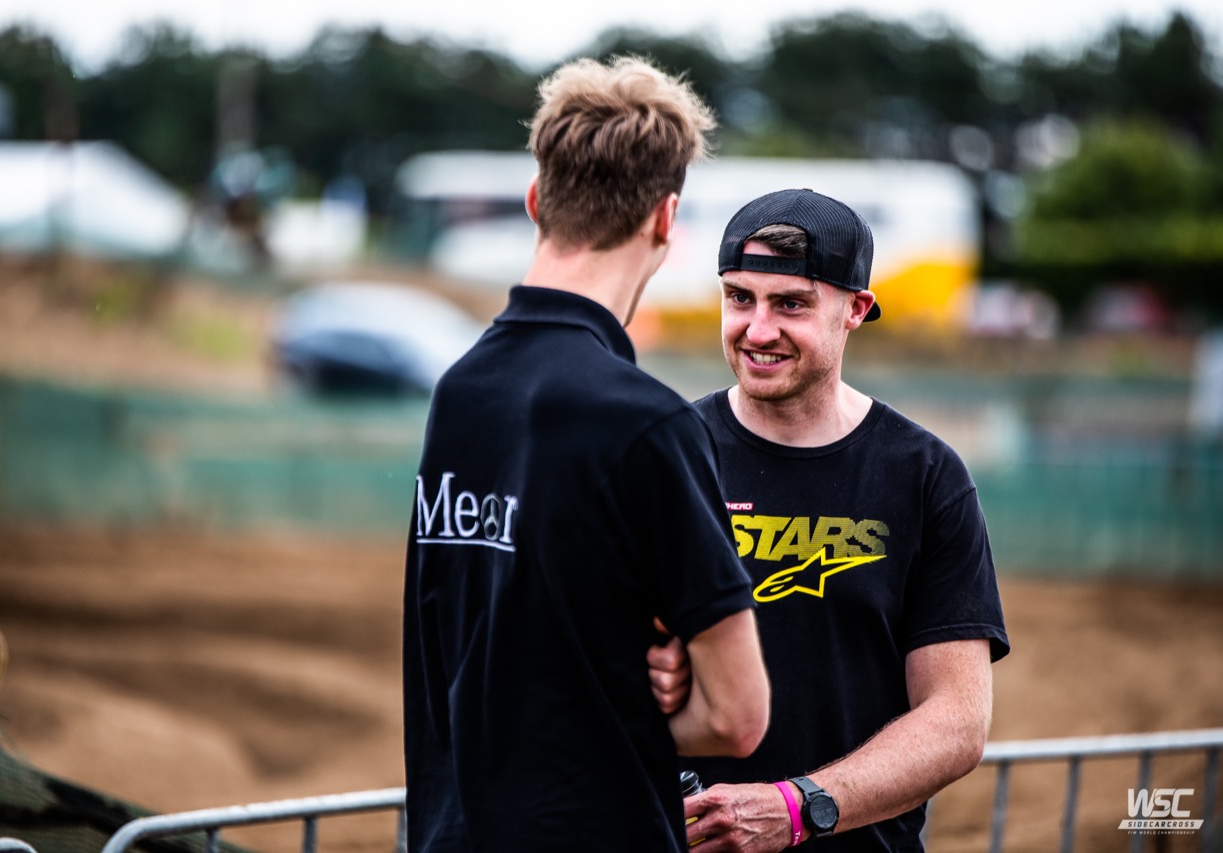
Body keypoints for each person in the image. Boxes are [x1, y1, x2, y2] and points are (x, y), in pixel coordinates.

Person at [402, 56, 772, 853]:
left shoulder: (460, 391)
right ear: (666, 218)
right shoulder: (646, 423)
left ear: (537, 199)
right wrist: (656, 694)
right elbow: (738, 717)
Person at [647, 188, 1010, 851]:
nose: (758, 330)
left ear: (855, 310)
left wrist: (798, 807)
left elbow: (957, 720)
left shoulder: (925, 475)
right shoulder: (659, 456)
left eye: (791, 304)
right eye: (740, 298)